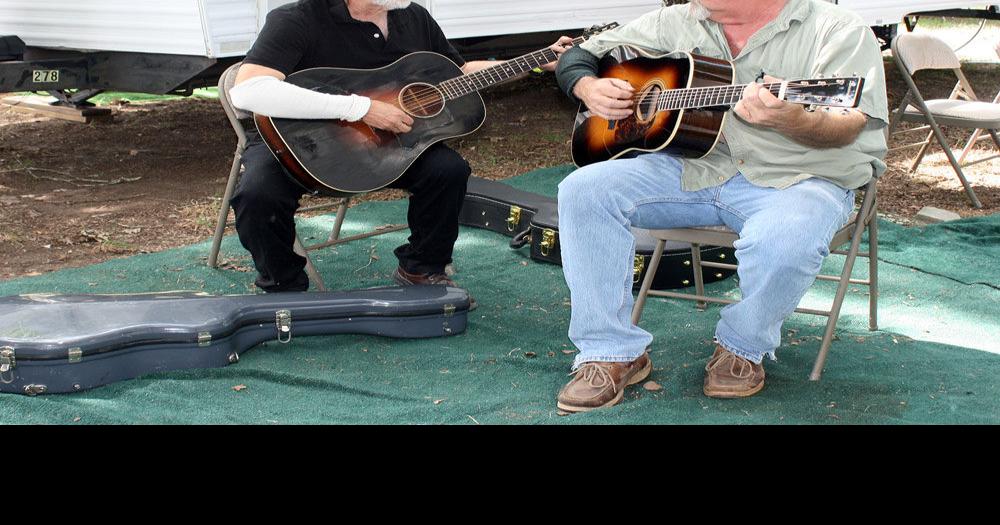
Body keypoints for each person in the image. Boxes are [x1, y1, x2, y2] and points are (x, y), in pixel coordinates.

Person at [552, 0, 888, 412]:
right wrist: (586, 86)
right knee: (583, 191)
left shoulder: (837, 29)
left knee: (787, 238)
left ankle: (741, 347)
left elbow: (849, 122)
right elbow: (578, 54)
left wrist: (791, 119)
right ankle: (609, 352)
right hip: (696, 167)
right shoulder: (678, 20)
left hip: (797, 178)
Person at [228, 0, 572, 294]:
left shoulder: (413, 16)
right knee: (258, 195)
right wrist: (360, 109)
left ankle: (421, 268)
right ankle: (285, 287)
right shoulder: (298, 18)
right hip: (303, 144)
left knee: (448, 170)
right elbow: (248, 91)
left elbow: (461, 71)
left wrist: (537, 61)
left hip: (389, 147)